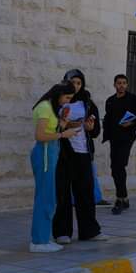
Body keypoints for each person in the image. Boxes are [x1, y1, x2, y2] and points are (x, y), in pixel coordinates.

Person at [53, 69, 105, 243]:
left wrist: (91, 128)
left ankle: (89, 231)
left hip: (83, 154)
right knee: (63, 194)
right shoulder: (58, 101)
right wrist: (64, 125)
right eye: (72, 82)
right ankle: (62, 232)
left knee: (85, 194)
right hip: (63, 154)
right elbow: (51, 127)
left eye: (78, 83)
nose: (75, 86)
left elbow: (96, 131)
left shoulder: (88, 103)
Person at [30, 84, 80, 253]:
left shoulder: (51, 107)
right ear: (59, 94)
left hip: (50, 153)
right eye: (67, 98)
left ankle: (43, 238)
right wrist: (63, 134)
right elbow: (40, 135)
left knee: (49, 197)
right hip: (44, 153)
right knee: (44, 198)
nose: (68, 101)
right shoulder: (45, 107)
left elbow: (51, 129)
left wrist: (63, 124)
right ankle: (38, 241)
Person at [102, 73, 136, 215]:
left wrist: (131, 123)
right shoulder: (110, 101)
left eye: (124, 83)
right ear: (114, 85)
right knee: (114, 168)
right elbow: (108, 118)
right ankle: (124, 198)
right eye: (119, 83)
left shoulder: (133, 99)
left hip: (127, 138)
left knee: (120, 166)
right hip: (114, 138)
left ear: (127, 85)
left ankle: (120, 199)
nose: (121, 85)